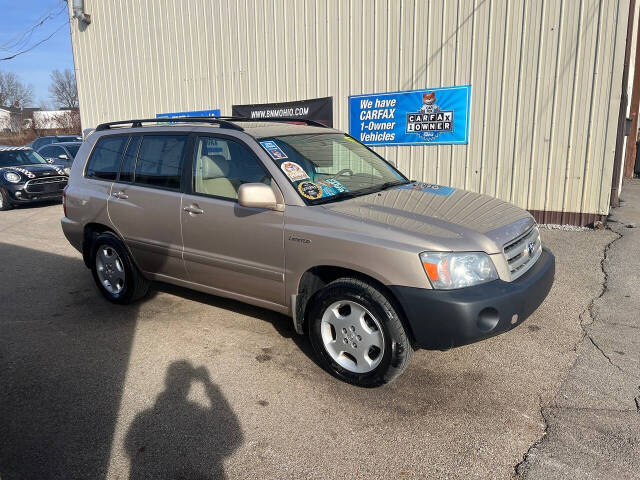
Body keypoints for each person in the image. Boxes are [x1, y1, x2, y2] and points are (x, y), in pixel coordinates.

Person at [125, 361, 243, 480]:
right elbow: (234, 436)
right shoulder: (144, 417)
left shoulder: (143, 417)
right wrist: (207, 382)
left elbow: (129, 445)